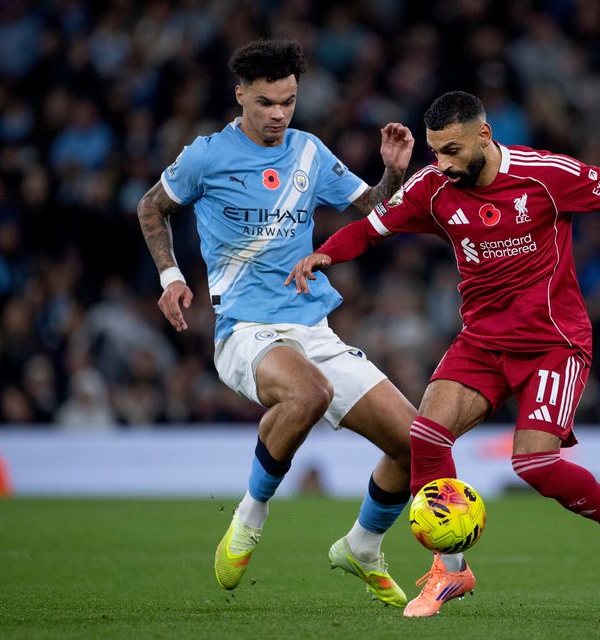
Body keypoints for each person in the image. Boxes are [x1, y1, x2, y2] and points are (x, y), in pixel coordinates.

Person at [288, 91, 600, 617]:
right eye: (435, 152)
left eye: (452, 151)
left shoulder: (545, 175)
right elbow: (371, 229)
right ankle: (451, 572)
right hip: (482, 341)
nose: (441, 164)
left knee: (534, 463)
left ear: (484, 137)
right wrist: (327, 252)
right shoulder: (432, 187)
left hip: (553, 342)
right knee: (425, 434)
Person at [136, 39, 418, 607]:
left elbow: (375, 212)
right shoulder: (206, 156)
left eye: (287, 102)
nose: (278, 115)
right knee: (309, 393)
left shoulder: (310, 152)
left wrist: (392, 175)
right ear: (240, 95)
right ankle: (250, 515)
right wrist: (170, 277)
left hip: (315, 329)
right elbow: (151, 207)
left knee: (415, 444)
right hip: (244, 330)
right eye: (266, 103)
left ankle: (362, 546)